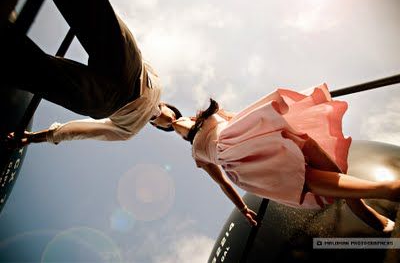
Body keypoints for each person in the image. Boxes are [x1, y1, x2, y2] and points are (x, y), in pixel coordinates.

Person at [151, 84, 399, 232]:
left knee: (308, 148)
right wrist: (243, 208)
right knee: (305, 177)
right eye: (152, 120)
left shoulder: (213, 114)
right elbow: (222, 183)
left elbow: (240, 118)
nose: (157, 117)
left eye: (157, 110)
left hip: (247, 134)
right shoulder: (197, 154)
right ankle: (385, 190)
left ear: (166, 105)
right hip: (242, 161)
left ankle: (360, 205)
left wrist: (275, 121)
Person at [1, 0, 179, 146]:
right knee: (92, 13)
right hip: (131, 66)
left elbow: (84, 130)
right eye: (174, 116)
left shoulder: (129, 131)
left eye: (168, 128)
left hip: (109, 100)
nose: (171, 123)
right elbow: (133, 49)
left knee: (42, 75)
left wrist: (35, 137)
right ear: (168, 106)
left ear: (157, 127)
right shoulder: (157, 83)